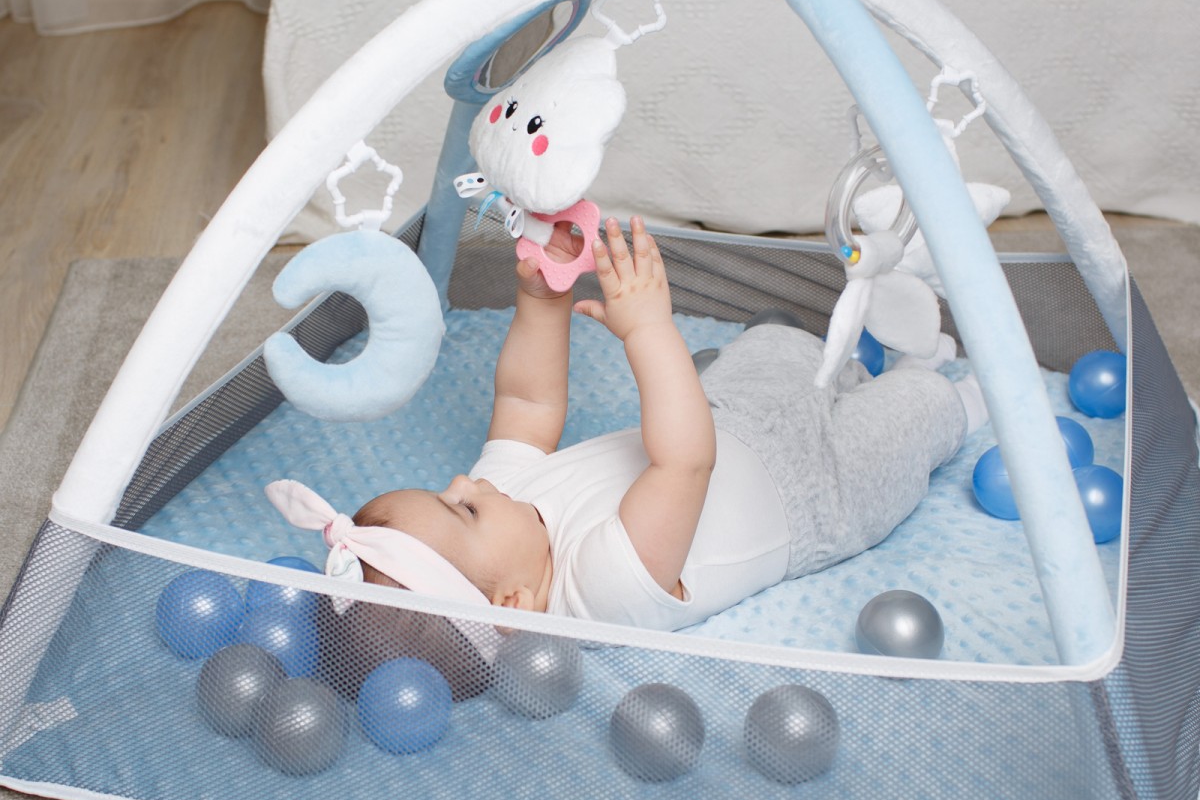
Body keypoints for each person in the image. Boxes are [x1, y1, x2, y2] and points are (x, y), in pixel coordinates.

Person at [270, 216, 985, 633]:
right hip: (817, 497)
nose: (463, 480)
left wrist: (543, 300)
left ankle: (862, 364)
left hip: (726, 410)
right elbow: (684, 464)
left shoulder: (509, 505)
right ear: (514, 603)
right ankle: (964, 391)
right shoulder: (599, 593)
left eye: (443, 490)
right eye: (463, 508)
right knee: (916, 412)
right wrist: (647, 329)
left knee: (783, 346)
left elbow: (526, 403)